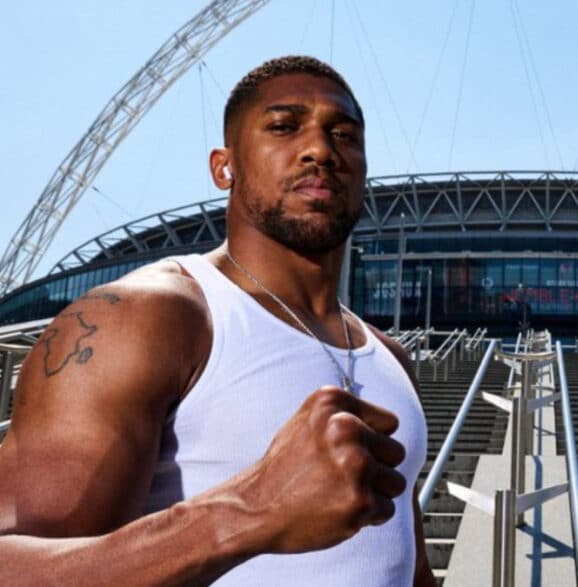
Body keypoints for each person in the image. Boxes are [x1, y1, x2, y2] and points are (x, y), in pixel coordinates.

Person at [0, 56, 436, 586]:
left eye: (344, 135)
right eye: (284, 126)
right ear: (223, 167)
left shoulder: (391, 358)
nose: (321, 150)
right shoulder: (149, 318)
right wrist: (248, 511)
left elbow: (403, 563)